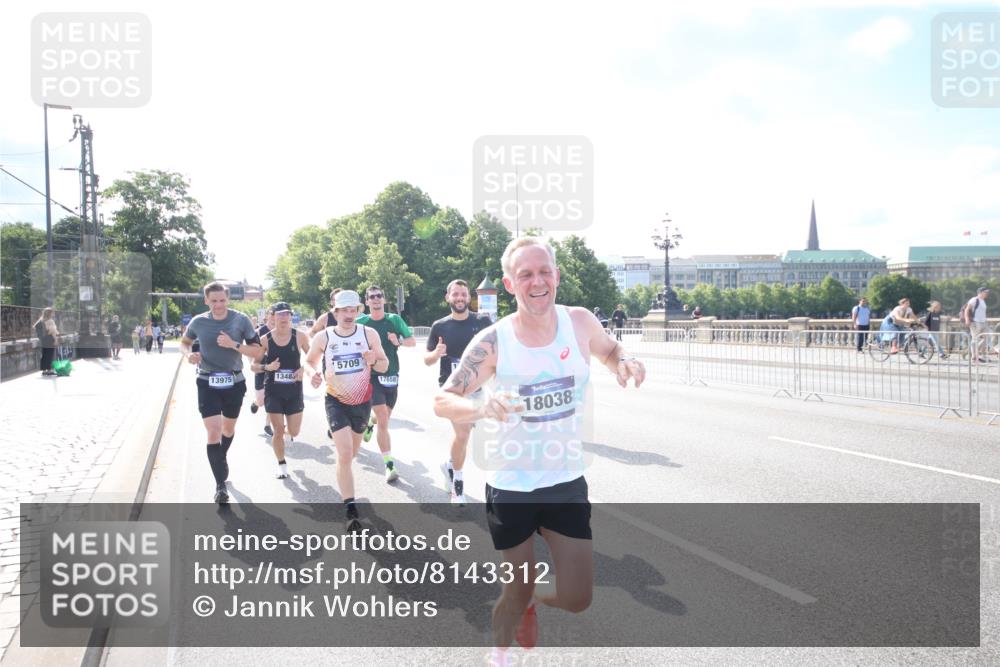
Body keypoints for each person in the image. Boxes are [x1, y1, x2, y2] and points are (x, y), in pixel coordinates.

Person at [434, 237, 645, 665]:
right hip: (511, 484)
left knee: (577, 597)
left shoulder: (580, 322)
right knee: (516, 586)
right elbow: (442, 400)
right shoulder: (493, 342)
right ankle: (500, 650)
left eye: (544, 271)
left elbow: (609, 351)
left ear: (557, 276)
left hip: (565, 481)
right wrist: (480, 406)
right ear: (510, 284)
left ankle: (533, 600)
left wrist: (624, 361)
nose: (537, 281)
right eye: (526, 274)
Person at [304, 290, 389, 531]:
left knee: (351, 454)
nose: (350, 315)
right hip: (335, 401)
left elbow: (384, 365)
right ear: (336, 313)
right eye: (345, 311)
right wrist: (313, 374)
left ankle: (344, 480)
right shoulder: (325, 337)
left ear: (358, 311)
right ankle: (350, 509)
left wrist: (374, 360)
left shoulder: (368, 334)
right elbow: (309, 361)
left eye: (354, 310)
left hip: (362, 402)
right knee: (344, 453)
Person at [179, 282, 263, 505]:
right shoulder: (198, 321)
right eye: (213, 301)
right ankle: (220, 486)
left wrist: (233, 344)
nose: (218, 305)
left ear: (228, 299)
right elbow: (185, 343)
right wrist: (188, 355)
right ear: (206, 300)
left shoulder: (240, 320)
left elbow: (258, 351)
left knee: (228, 428)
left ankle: (220, 457)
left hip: (234, 381)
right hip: (207, 381)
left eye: (222, 300)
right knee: (213, 431)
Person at [425, 279, 492, 505]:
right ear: (448, 297)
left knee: (465, 438)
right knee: (462, 435)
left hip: (477, 388)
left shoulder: (483, 322)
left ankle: (449, 466)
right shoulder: (439, 326)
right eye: (456, 294)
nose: (460, 298)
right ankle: (458, 487)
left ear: (468, 297)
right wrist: (436, 353)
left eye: (463, 294)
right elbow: (426, 360)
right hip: (451, 391)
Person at [356, 285, 415, 483]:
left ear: (384, 299)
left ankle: (370, 423)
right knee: (383, 418)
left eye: (379, 295)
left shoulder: (394, 320)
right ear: (367, 302)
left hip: (391, 375)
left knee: (383, 418)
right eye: (371, 297)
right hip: (371, 376)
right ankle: (389, 465)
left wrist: (397, 340)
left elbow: (412, 341)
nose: (376, 299)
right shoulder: (361, 322)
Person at [254, 302, 310, 480]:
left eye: (287, 314)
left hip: (294, 391)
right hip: (273, 390)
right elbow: (254, 366)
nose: (284, 318)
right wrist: (267, 366)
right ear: (273, 316)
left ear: (291, 316)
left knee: (294, 432)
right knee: (278, 430)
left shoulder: (300, 336)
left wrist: (303, 370)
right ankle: (281, 464)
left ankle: (288, 434)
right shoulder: (265, 340)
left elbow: (312, 359)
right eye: (280, 314)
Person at [250, 308, 276, 436]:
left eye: (275, 315)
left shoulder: (282, 331)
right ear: (267, 316)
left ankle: (267, 425)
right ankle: (255, 403)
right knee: (261, 401)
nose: (273, 318)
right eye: (271, 315)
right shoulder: (259, 332)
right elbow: (252, 352)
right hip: (261, 368)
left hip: (276, 369)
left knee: (273, 398)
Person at [964, 286, 991, 363]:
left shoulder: (983, 301)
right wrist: (967, 319)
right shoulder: (974, 299)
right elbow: (967, 309)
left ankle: (978, 354)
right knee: (975, 339)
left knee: (985, 339)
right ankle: (974, 357)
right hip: (975, 322)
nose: (987, 293)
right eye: (986, 292)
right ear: (980, 292)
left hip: (983, 322)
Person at [34, 308, 59, 376]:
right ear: (50, 313)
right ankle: (49, 370)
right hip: (49, 339)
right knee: (50, 355)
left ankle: (44, 370)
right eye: (52, 313)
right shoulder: (50, 321)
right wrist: (56, 340)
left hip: (43, 340)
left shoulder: (40, 320)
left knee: (44, 355)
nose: (53, 314)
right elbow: (52, 331)